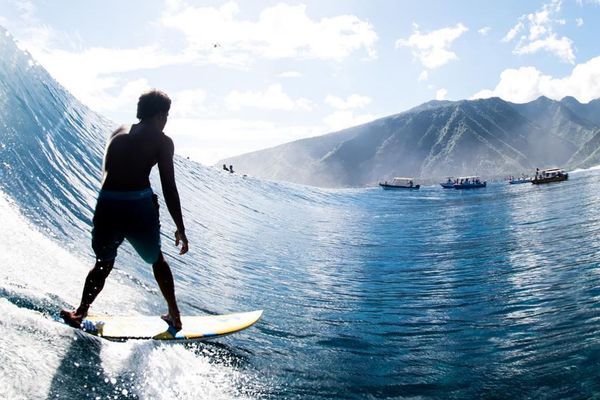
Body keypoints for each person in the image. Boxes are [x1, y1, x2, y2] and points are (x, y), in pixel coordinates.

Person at [60, 89, 189, 332]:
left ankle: (79, 312)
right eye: (167, 115)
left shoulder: (117, 131)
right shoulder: (162, 141)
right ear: (161, 115)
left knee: (103, 263)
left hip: (107, 203)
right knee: (156, 260)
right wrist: (180, 228)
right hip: (138, 206)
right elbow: (169, 187)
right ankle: (174, 315)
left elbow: (110, 173)